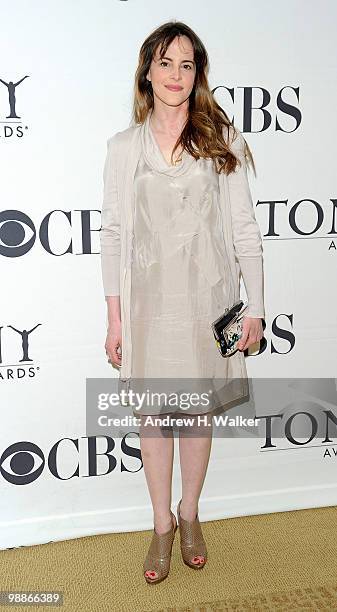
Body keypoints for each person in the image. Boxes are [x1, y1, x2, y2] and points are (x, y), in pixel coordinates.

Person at [100, 21, 265, 585]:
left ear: (199, 75)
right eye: (166, 62)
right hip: (147, 306)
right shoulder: (123, 148)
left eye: (187, 64)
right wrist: (114, 318)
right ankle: (160, 525)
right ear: (147, 69)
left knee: (196, 413)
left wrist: (256, 306)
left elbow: (244, 229)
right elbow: (114, 235)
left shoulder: (223, 139)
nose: (176, 75)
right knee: (153, 415)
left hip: (210, 303)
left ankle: (190, 516)